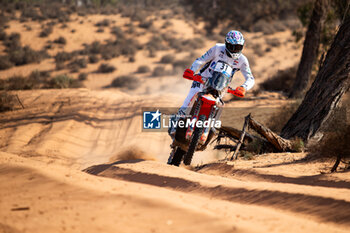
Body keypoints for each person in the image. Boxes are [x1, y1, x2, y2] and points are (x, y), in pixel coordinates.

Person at [168, 30, 255, 136]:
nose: (234, 50)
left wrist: (243, 87)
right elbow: (201, 60)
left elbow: (250, 78)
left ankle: (210, 130)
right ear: (226, 43)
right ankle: (176, 122)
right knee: (188, 101)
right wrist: (192, 70)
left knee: (219, 106)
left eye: (237, 47)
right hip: (203, 79)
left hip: (221, 86)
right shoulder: (217, 48)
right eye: (232, 47)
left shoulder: (242, 60)